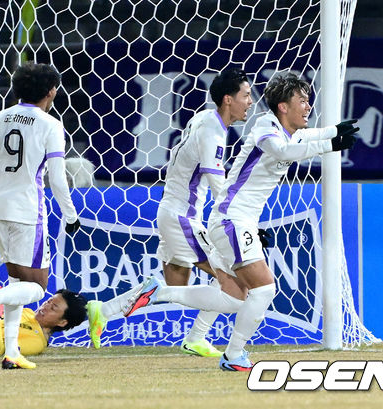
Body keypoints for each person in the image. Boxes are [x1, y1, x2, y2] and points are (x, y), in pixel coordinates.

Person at [85, 68, 254, 356]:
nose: (250, 102)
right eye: (246, 95)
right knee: (236, 283)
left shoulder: (204, 118)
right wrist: (240, 219)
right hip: (183, 218)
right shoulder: (213, 133)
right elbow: (219, 186)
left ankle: (105, 310)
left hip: (172, 211)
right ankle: (195, 336)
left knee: (180, 286)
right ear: (228, 99)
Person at [197, 73, 357, 371]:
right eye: (302, 100)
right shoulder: (265, 127)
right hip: (232, 218)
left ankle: (160, 293)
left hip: (240, 220)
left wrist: (334, 131)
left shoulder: (288, 132)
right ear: (283, 107)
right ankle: (233, 355)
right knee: (264, 289)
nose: (308, 106)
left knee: (236, 295)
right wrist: (331, 144)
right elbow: (284, 151)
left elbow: (304, 138)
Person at [0, 62, 80, 370]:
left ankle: (12, 351)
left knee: (16, 280)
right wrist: (70, 215)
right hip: (28, 211)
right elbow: (57, 179)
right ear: (51, 91)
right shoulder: (50, 125)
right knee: (38, 287)